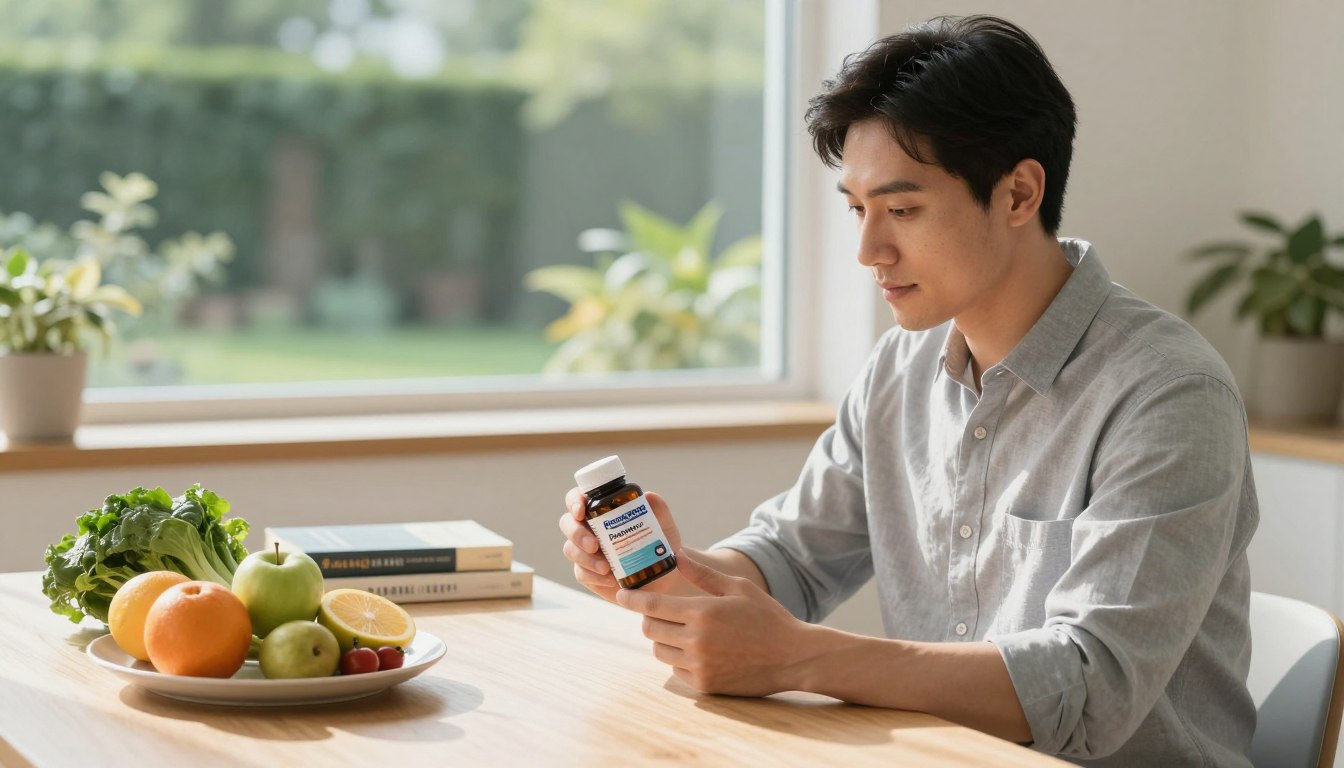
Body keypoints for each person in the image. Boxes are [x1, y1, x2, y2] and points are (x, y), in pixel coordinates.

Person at [558, 14, 1257, 766]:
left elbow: (1091, 689)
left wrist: (800, 657)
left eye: (901, 210)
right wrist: (673, 569)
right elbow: (793, 558)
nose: (868, 250)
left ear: (1019, 194)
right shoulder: (902, 365)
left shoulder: (1168, 394)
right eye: (857, 209)